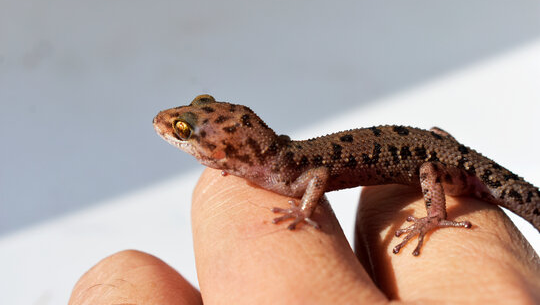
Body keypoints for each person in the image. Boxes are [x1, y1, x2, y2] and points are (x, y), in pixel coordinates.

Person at [69, 168, 540, 304]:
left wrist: (434, 215)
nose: (174, 135)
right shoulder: (275, 166)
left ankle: (435, 213)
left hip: (445, 167)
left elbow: (313, 178)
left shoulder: (290, 170)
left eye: (184, 131)